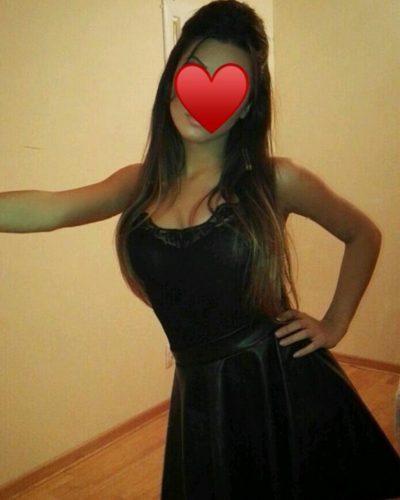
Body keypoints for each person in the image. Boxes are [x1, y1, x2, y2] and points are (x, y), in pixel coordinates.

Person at [1, 1, 399, 499]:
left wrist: (334, 323)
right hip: (200, 396)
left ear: (247, 105)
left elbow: (363, 234)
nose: (203, 94)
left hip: (282, 386)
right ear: (172, 82)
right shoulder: (139, 184)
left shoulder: (275, 180)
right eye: (194, 71)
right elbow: (50, 209)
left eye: (229, 82)